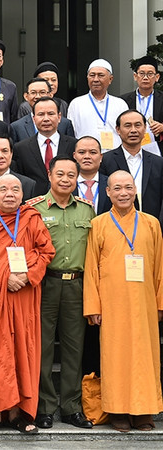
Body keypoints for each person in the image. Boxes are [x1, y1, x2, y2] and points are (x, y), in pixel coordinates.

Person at [0, 173, 56, 434]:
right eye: (3, 189)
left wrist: (28, 276)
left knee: (20, 350)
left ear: (22, 194)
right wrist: (5, 276)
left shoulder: (30, 217)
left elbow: (46, 251)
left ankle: (19, 413)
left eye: (15, 189)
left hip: (22, 297)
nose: (9, 194)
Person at [83, 170, 163, 432]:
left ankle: (143, 410)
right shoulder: (99, 224)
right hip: (112, 303)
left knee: (144, 356)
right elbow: (91, 267)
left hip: (144, 304)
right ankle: (117, 409)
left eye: (128, 188)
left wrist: (160, 303)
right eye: (117, 189)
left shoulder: (151, 223)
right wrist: (93, 306)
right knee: (114, 356)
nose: (123, 193)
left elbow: (159, 267)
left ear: (135, 191)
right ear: (107, 192)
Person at [26, 156, 95, 430]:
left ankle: (71, 408)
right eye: (60, 174)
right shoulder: (34, 209)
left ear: (77, 178)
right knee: (42, 348)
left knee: (73, 349)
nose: (65, 179)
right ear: (50, 175)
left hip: (77, 284)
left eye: (71, 175)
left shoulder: (88, 211)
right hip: (45, 283)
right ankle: (43, 407)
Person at [99, 110, 163, 219]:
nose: (133, 130)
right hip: (116, 225)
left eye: (138, 125)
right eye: (128, 126)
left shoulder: (158, 162)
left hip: (151, 227)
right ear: (118, 130)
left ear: (145, 128)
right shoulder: (105, 161)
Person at [12, 97, 78, 196]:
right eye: (41, 114)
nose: (46, 119)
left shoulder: (74, 145)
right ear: (34, 119)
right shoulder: (21, 148)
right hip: (33, 204)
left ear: (59, 117)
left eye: (51, 114)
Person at [68, 59, 129, 150]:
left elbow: (126, 131)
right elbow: (71, 134)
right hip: (86, 156)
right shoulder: (76, 104)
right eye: (92, 75)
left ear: (110, 79)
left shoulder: (120, 104)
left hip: (115, 156)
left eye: (101, 75)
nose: (96, 79)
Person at [120, 56, 163, 155]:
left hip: (158, 149)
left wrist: (162, 127)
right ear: (135, 76)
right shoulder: (123, 101)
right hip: (130, 149)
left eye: (150, 74)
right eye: (142, 74)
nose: (145, 78)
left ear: (157, 77)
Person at [10, 78, 75, 143]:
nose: (38, 96)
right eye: (33, 93)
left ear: (50, 95)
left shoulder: (65, 124)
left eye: (42, 92)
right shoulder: (17, 127)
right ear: (26, 96)